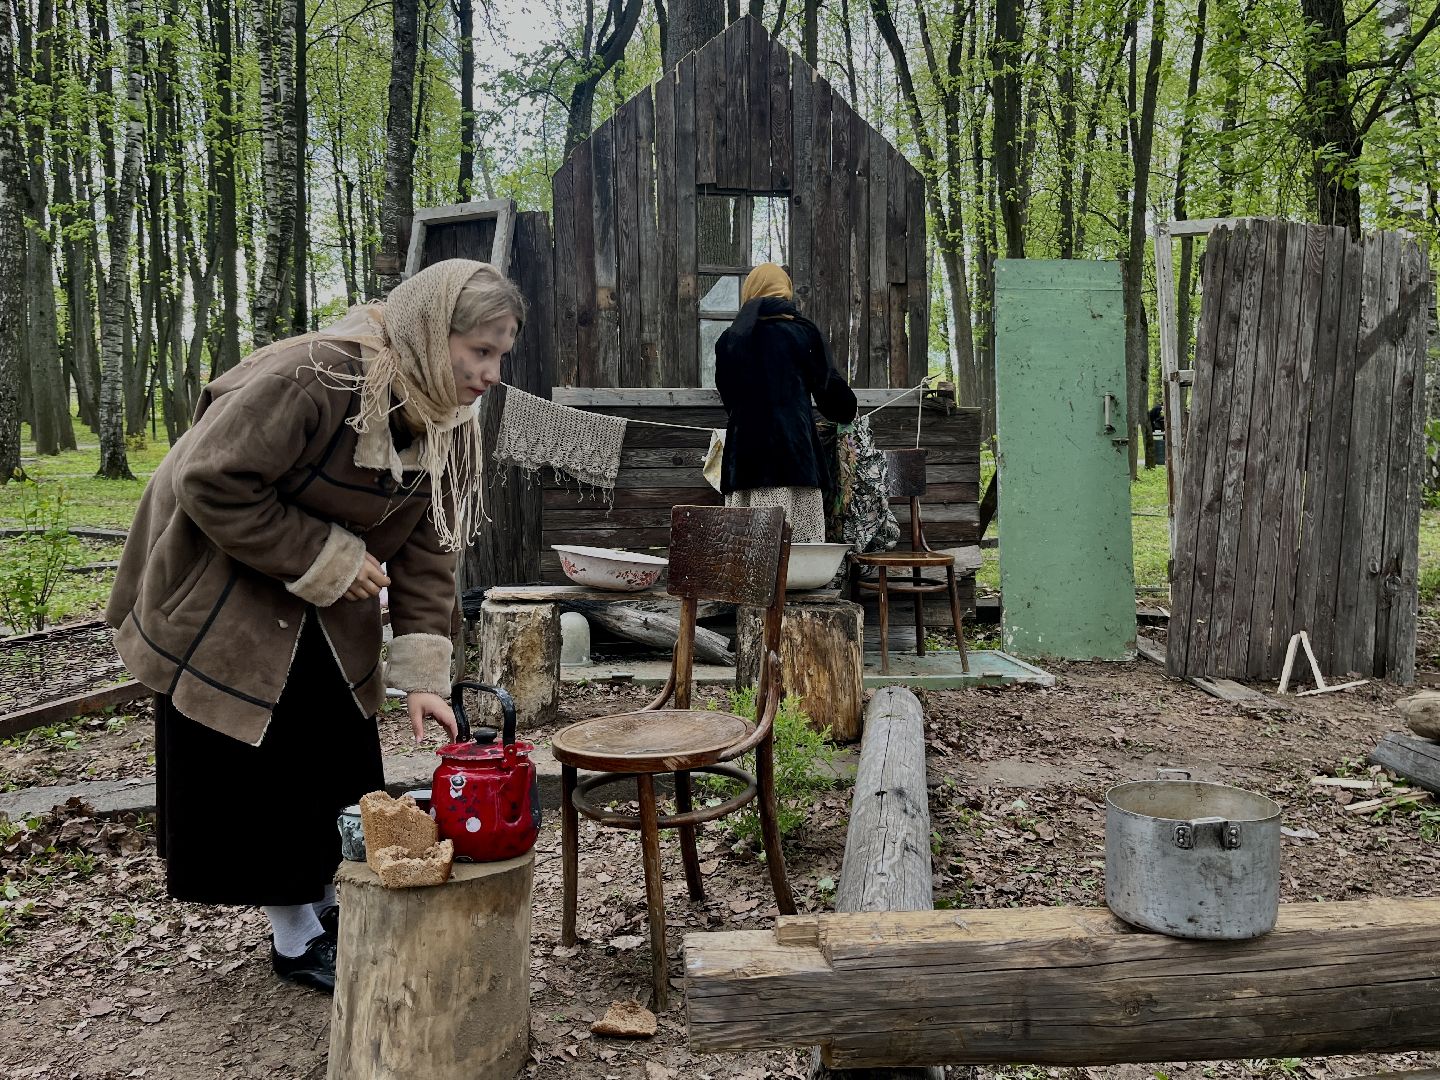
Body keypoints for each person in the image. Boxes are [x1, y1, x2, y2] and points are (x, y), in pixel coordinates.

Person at [106, 259, 525, 993]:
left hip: (326, 601)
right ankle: (294, 937)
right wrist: (326, 556)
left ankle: (329, 907)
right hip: (221, 575)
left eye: (500, 355)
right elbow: (210, 478)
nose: (490, 373)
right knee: (259, 762)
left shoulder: (445, 414)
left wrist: (424, 675)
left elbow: (430, 547)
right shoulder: (316, 374)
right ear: (433, 333)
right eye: (480, 351)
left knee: (333, 751)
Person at [714, 264, 857, 543]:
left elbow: (729, 399)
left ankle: (755, 585)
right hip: (795, 456)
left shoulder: (730, 340)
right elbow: (832, 396)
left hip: (746, 460)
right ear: (785, 291)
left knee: (750, 548)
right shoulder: (803, 333)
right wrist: (846, 409)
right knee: (798, 545)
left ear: (750, 291)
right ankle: (796, 583)